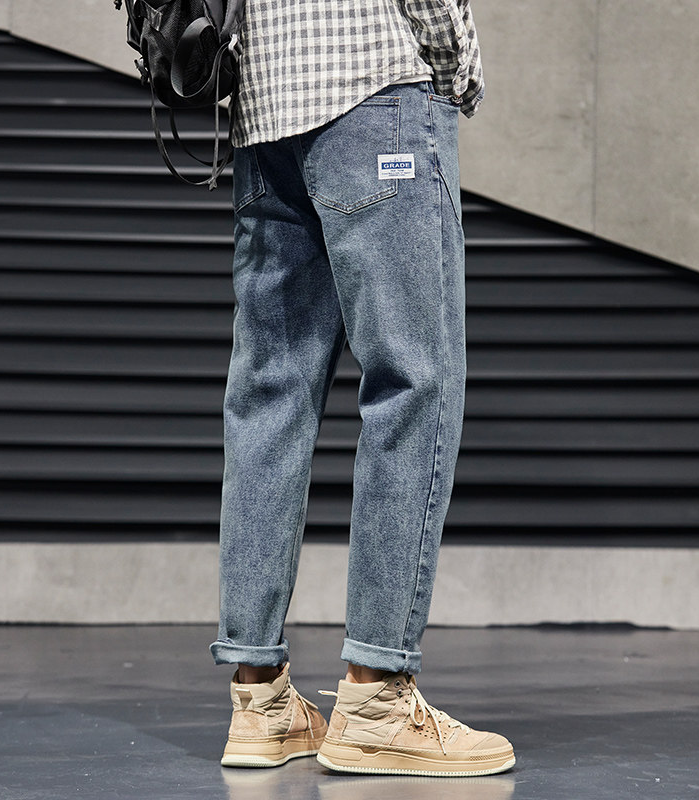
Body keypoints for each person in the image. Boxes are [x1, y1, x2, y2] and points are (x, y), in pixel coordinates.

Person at [209, 0, 515, 777]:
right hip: (372, 89)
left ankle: (259, 702)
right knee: (411, 384)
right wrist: (451, 66)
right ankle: (377, 701)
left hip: (264, 109)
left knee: (268, 396)